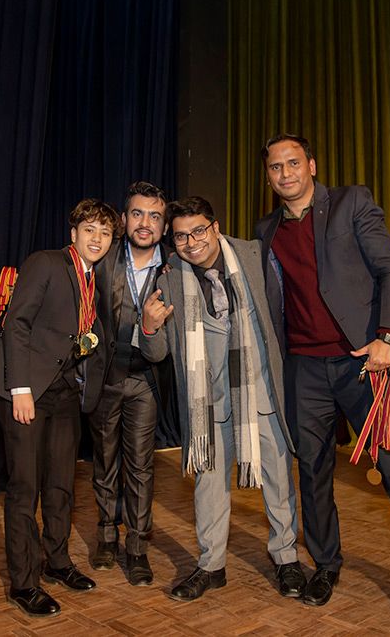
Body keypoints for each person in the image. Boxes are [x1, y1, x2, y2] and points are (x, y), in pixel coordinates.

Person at [255, 133, 390, 619]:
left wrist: (388, 336)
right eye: (276, 167)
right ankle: (326, 564)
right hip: (304, 367)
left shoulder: (351, 203)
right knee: (313, 469)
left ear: (312, 165)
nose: (285, 173)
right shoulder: (266, 230)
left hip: (365, 360)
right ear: (268, 176)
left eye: (293, 163)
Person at [140, 196, 306, 602]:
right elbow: (157, 354)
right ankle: (211, 566)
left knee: (278, 478)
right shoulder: (169, 279)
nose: (191, 242)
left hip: (260, 391)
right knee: (209, 486)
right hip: (208, 404)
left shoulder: (254, 255)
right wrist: (148, 327)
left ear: (215, 228)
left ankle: (286, 558)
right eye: (181, 236)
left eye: (199, 231)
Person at [0, 198, 119, 618]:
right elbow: (16, 324)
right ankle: (24, 583)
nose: (97, 238)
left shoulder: (94, 278)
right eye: (89, 230)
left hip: (64, 393)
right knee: (25, 489)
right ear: (73, 234)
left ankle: (57, 562)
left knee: (60, 485)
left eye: (105, 233)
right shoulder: (46, 263)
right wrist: (19, 388)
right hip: (27, 390)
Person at [88, 181, 170, 585]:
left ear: (164, 226)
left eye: (154, 216)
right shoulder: (102, 259)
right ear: (123, 219)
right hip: (105, 378)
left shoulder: (175, 268)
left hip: (146, 380)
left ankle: (137, 547)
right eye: (137, 213)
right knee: (105, 461)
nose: (145, 223)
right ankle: (106, 536)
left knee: (140, 465)